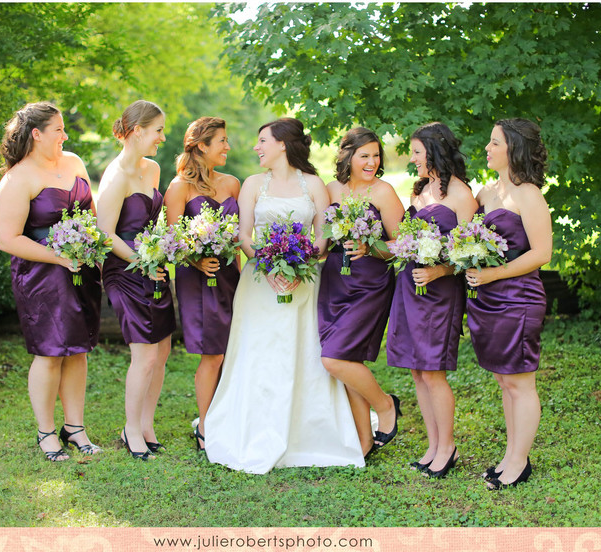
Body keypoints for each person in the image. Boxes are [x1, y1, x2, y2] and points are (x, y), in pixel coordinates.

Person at [204, 118, 364, 474]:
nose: (256, 147)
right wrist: (268, 263)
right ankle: (254, 430)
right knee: (260, 354)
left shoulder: (313, 185)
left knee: (301, 352)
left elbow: (324, 237)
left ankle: (308, 433)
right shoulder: (252, 184)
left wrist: (303, 259)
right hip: (260, 284)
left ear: (282, 144)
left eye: (263, 141)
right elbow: (244, 235)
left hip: (305, 282)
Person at [0, 101, 102, 461]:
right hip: (41, 275)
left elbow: (92, 213)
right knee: (50, 352)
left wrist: (89, 246)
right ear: (37, 134)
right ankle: (46, 433)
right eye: (58, 129)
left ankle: (75, 427)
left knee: (78, 349)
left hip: (81, 269)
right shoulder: (18, 177)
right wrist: (59, 256)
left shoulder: (73, 162)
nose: (65, 136)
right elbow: (7, 238)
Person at [387, 122, 478, 479]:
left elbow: (471, 250)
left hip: (440, 292)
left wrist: (440, 271)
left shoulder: (461, 195)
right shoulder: (419, 191)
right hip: (410, 288)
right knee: (416, 369)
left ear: (435, 151)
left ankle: (448, 447)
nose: (412, 160)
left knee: (434, 371)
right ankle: (432, 444)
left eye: (416, 152)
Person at [465, 118, 551, 489]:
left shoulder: (528, 195)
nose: (487, 148)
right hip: (487, 299)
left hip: (519, 298)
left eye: (494, 142)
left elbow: (542, 253)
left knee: (521, 382)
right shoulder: (485, 194)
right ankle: (509, 455)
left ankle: (519, 463)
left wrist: (492, 276)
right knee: (504, 380)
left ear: (512, 149)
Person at [317, 127, 405, 456]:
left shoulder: (383, 192)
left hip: (370, 283)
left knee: (334, 358)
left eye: (376, 155)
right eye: (364, 155)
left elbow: (400, 245)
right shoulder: (331, 189)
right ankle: (364, 443)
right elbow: (323, 242)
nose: (371, 162)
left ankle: (384, 405)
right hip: (333, 281)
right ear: (348, 156)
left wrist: (371, 246)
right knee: (347, 359)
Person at [97, 100, 173, 461]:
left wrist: (158, 253)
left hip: (151, 265)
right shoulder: (115, 177)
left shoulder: (154, 169)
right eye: (158, 129)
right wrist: (142, 260)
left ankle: (146, 424)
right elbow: (105, 234)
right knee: (144, 353)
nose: (162, 136)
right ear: (138, 130)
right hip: (123, 271)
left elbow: (152, 223)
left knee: (161, 350)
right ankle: (130, 430)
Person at [163, 117, 241, 452]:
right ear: (201, 146)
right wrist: (196, 259)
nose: (227, 146)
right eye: (221, 140)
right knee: (212, 353)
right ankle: (206, 427)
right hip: (198, 280)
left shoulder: (234, 184)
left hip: (230, 277)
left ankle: (225, 415)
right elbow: (171, 239)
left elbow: (239, 238)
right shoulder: (179, 187)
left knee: (231, 351)